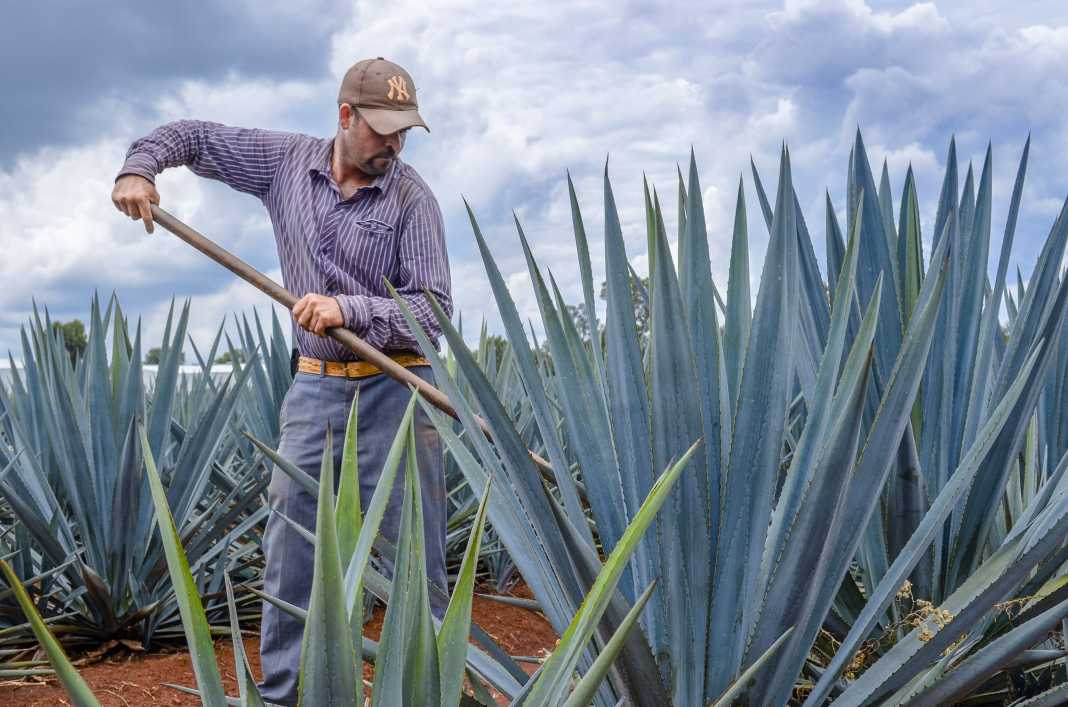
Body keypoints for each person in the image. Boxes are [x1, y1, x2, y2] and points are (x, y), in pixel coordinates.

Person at [111, 58, 451, 706]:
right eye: (383, 129)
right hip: (317, 385)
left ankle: (426, 688)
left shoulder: (414, 200)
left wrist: (346, 309)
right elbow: (198, 138)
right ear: (345, 116)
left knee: (413, 553)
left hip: (399, 388)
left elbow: (433, 311)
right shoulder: (285, 164)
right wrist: (140, 166)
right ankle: (286, 695)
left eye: (405, 131)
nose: (395, 143)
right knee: (291, 543)